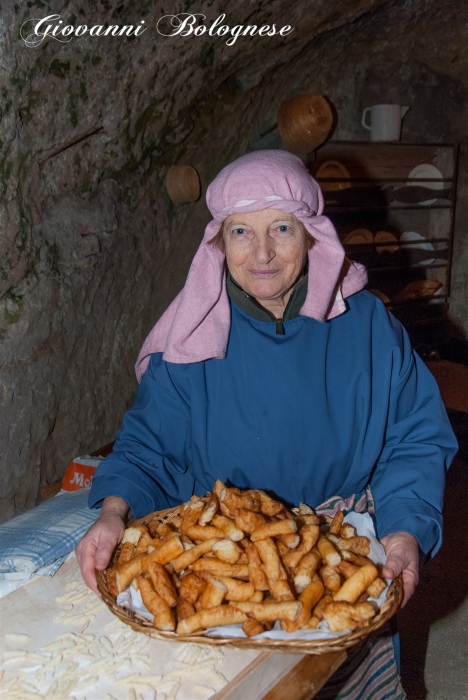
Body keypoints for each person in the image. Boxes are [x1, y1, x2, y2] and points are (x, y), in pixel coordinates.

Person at [76, 150, 457, 699]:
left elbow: (414, 437)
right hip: (221, 578)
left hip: (340, 560)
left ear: (311, 235)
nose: (261, 253)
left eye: (281, 227)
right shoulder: (190, 339)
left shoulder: (371, 327)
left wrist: (405, 529)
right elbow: (147, 448)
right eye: (240, 231)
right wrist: (114, 513)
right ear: (218, 244)